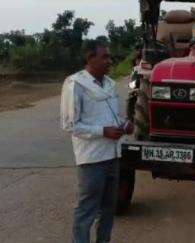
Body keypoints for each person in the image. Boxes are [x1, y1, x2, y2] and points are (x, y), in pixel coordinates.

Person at [60, 40, 132, 243]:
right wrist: (103, 132)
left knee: (108, 210)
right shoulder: (76, 84)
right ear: (89, 58)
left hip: (113, 156)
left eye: (109, 56)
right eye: (104, 57)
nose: (109, 61)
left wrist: (125, 124)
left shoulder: (109, 83)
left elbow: (112, 117)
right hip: (92, 160)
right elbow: (69, 125)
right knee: (87, 212)